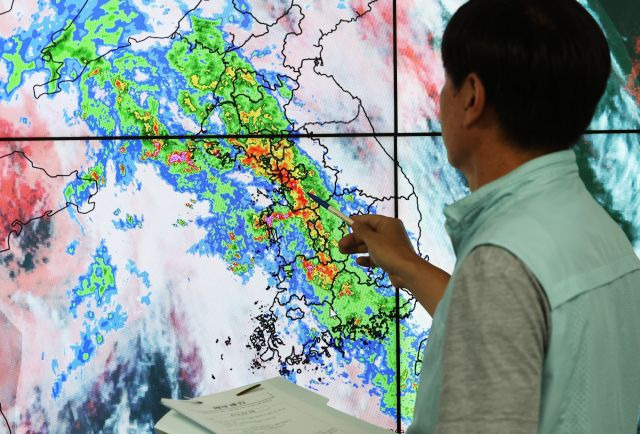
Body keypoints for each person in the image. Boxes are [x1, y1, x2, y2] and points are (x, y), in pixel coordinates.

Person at [338, 0, 640, 432]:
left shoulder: (502, 266)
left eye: (448, 83)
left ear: (473, 98)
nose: (440, 98)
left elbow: (502, 307)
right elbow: (512, 335)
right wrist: (407, 265)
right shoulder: (601, 234)